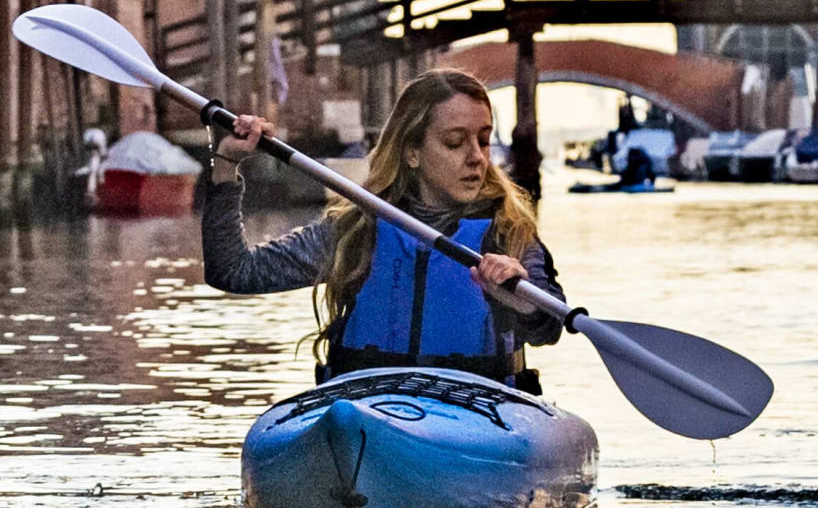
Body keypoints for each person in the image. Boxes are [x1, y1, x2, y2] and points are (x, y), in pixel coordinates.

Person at [202, 69, 566, 381]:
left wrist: (522, 300)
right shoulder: (358, 230)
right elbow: (234, 272)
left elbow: (549, 328)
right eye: (455, 142)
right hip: (369, 405)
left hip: (477, 412)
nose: (476, 157)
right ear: (412, 152)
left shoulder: (508, 232)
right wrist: (224, 165)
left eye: (483, 141)